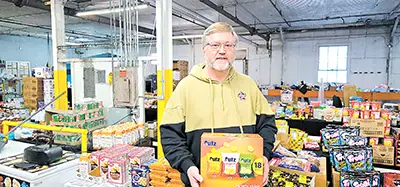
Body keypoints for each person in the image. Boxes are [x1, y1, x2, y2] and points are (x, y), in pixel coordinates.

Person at [160, 22, 277, 187]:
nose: (222, 51)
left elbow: (267, 125)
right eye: (215, 45)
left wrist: (264, 155)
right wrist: (187, 166)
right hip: (201, 181)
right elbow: (170, 134)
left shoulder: (248, 85)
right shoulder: (186, 87)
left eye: (228, 45)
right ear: (204, 50)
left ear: (234, 50)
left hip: (246, 180)